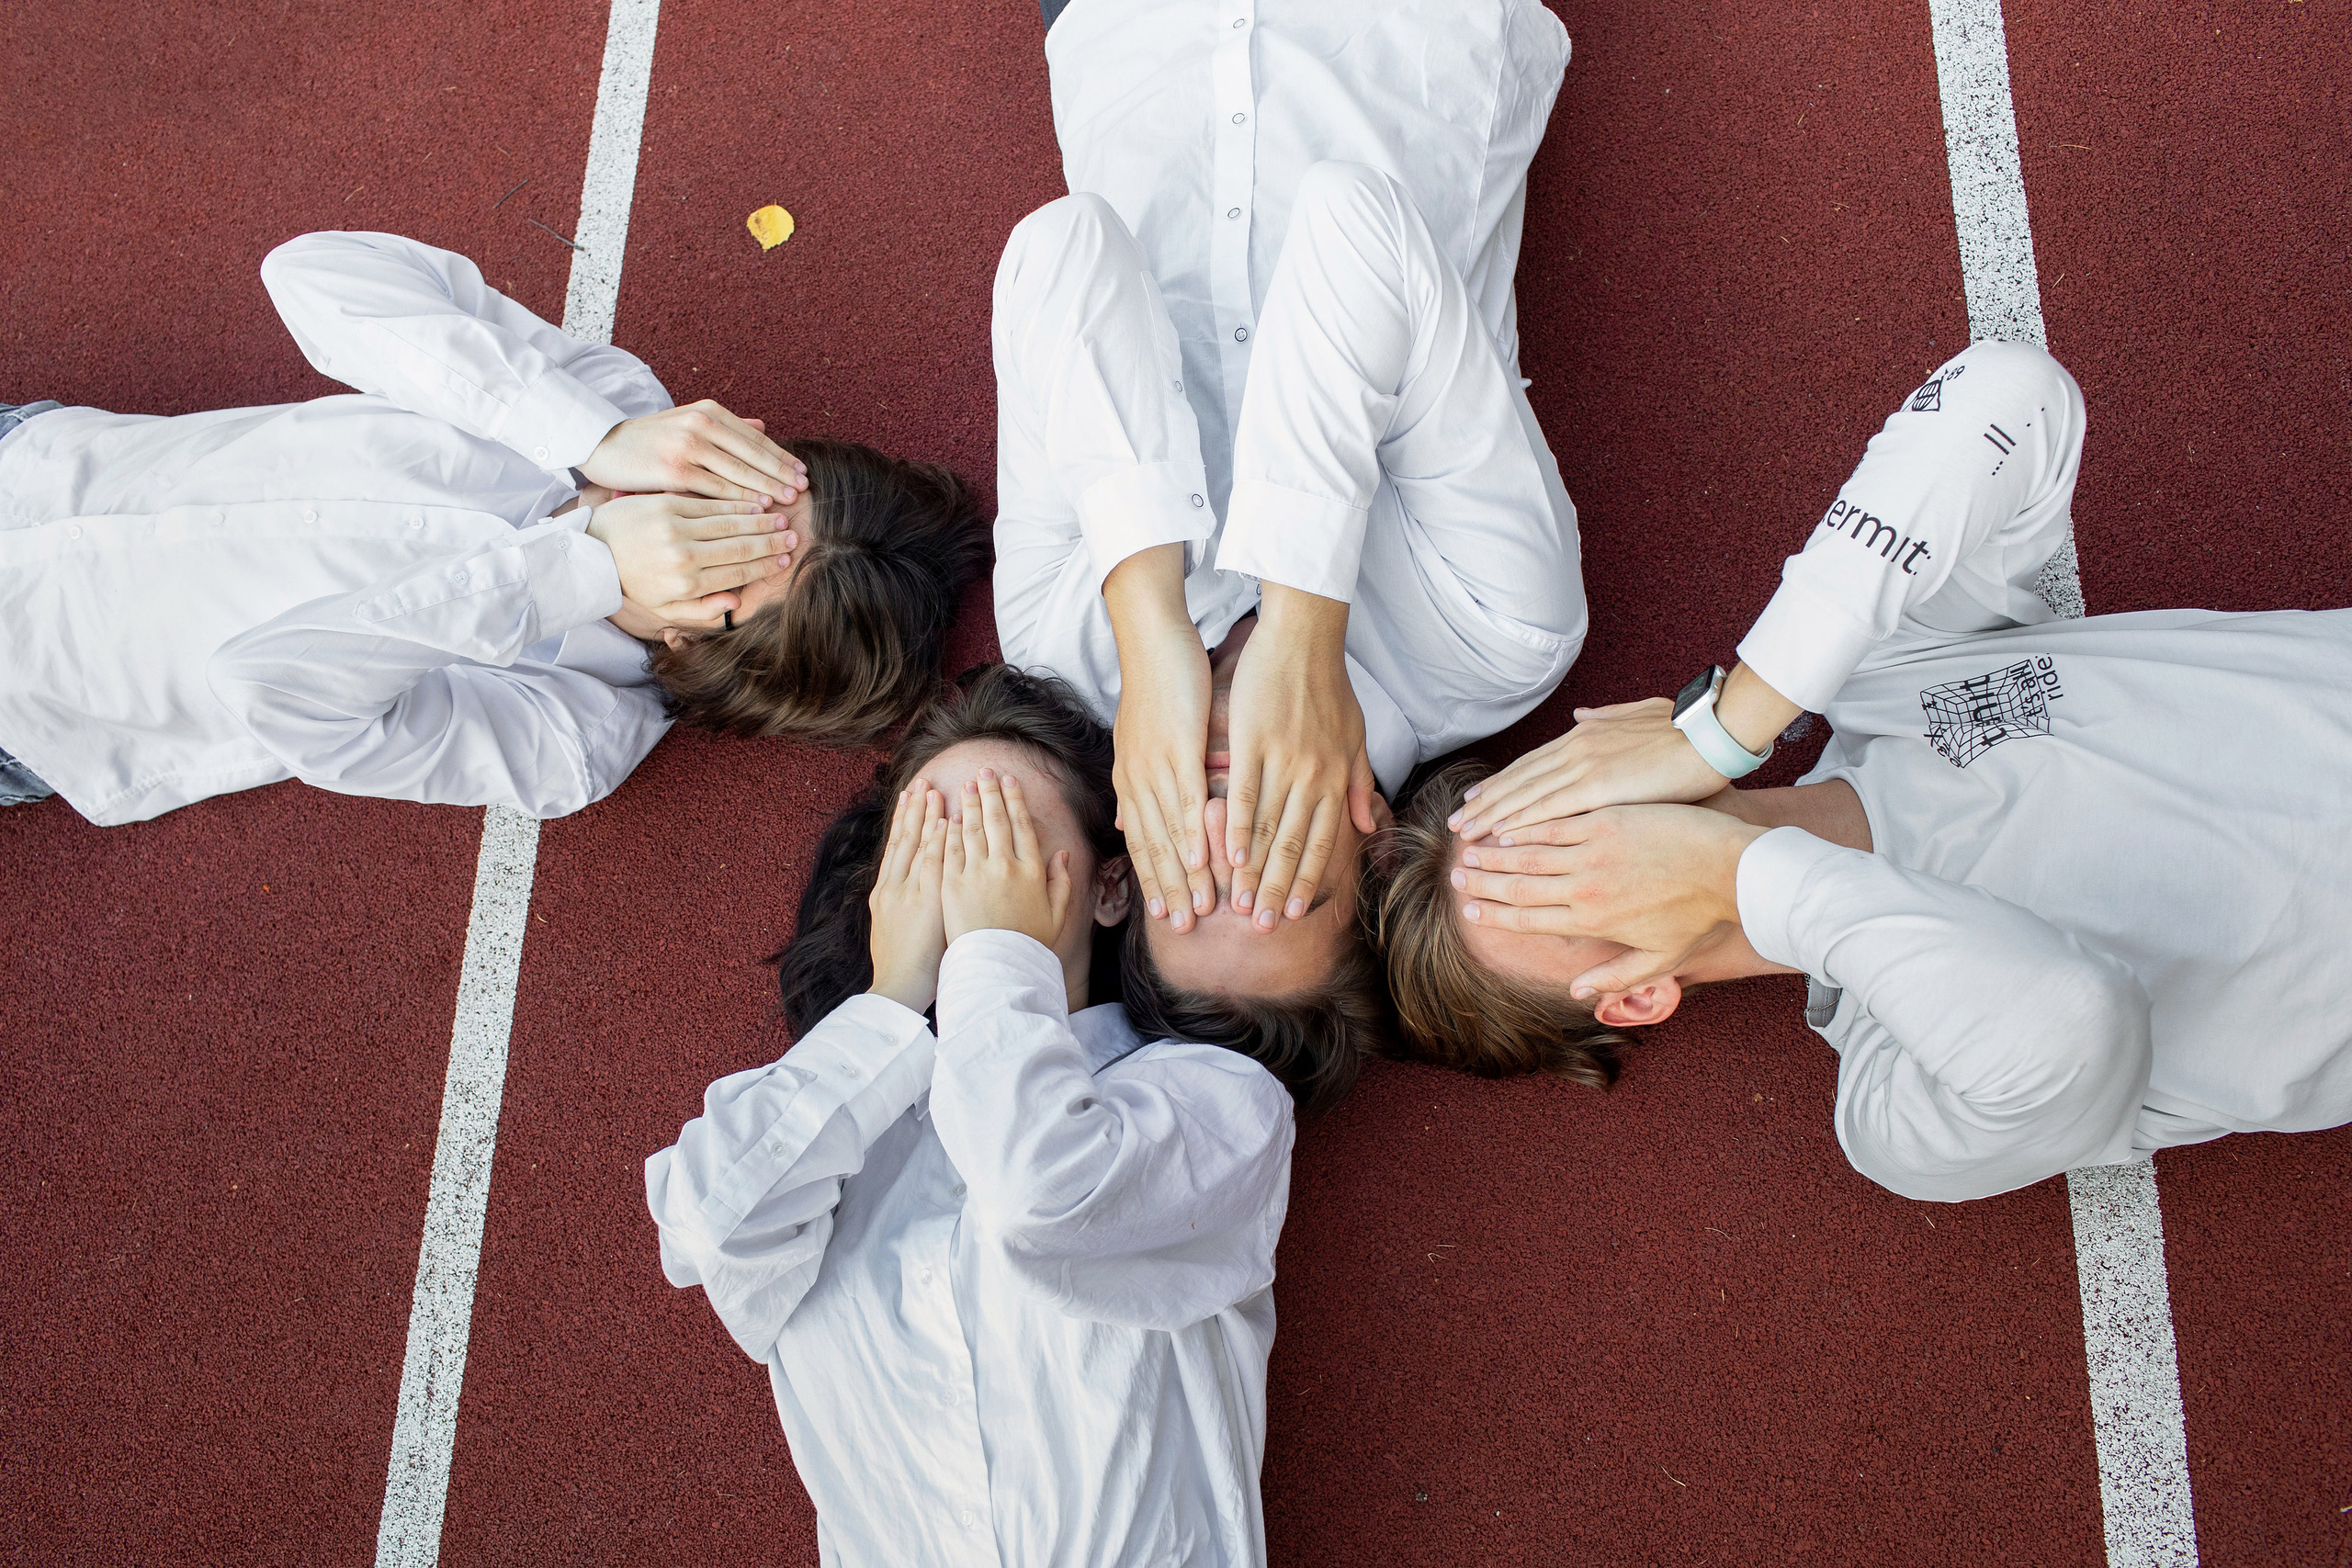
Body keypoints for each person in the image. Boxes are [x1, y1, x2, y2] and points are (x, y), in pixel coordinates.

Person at [1374, 339, 2352, 1202]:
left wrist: (1725, 725)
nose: (1590, 832)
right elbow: (2077, 1019)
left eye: (1543, 810)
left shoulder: (1888, 678)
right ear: (1636, 995)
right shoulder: (1895, 1107)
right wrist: (1736, 874)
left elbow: (2014, 395)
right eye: (1554, 883)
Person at [989, 0, 1589, 1056]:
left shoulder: (1057, 644)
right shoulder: (1498, 642)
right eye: (1278, 874)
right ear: (1378, 853)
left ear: (1126, 866)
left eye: (1187, 878)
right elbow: (1351, 220)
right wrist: (1305, 634)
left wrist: (1151, 632)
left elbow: (1062, 246)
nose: (1226, 824)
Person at [647, 664, 1319, 1568]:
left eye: (1005, 840)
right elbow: (707, 1225)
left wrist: (998, 950)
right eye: (932, 845)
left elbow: (1041, 1195)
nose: (966, 877)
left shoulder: (1211, 1099)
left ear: (1110, 889)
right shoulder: (835, 1140)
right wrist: (892, 995)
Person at [0, 230, 981, 826]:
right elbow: (308, 272)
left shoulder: (572, 740)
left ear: (698, 641)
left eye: (718, 555)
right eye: (746, 494)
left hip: (30, 698)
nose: (688, 512)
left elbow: (266, 686)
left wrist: (573, 569)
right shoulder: (613, 408)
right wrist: (592, 433)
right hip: (36, 462)